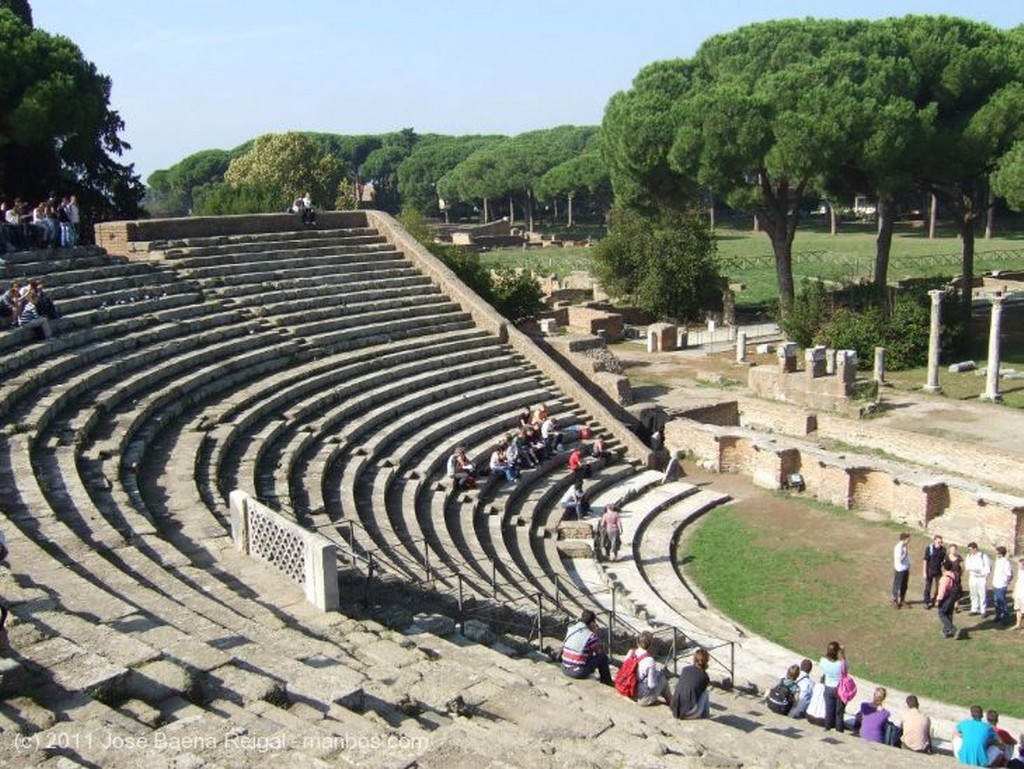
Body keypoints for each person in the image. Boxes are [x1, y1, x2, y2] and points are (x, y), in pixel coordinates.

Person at [560, 610, 611, 685]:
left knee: (586, 650)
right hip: (577, 672)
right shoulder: (591, 635)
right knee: (603, 657)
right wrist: (594, 632)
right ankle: (606, 681)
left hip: (564, 667)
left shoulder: (571, 628)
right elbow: (598, 652)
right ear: (592, 622)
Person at [671, 647, 711, 720]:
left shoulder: (685, 669)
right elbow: (699, 694)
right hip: (687, 714)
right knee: (705, 693)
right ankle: (706, 717)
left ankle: (704, 716)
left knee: (679, 684)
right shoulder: (705, 677)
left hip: (675, 710)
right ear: (706, 661)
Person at [634, 631, 671, 706]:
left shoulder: (631, 653)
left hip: (629, 690)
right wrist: (658, 676)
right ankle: (671, 703)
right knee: (663, 680)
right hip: (642, 698)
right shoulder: (650, 660)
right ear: (650, 645)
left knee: (658, 675)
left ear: (637, 641)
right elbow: (651, 685)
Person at [819, 641, 846, 732]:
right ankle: (839, 730)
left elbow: (823, 664)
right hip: (839, 689)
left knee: (828, 710)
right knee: (839, 712)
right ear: (837, 651)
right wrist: (842, 653)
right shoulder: (840, 664)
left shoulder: (823, 661)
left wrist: (830, 651)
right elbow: (846, 666)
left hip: (828, 688)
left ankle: (827, 727)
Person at [937, 562, 964, 639]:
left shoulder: (945, 578)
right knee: (949, 613)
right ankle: (946, 631)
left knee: (941, 613)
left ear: (944, 568)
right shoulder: (955, 574)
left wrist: (938, 600)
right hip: (954, 596)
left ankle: (954, 630)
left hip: (947, 597)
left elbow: (942, 590)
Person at [965, 542, 991, 616]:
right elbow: (967, 567)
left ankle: (983, 610)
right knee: (973, 593)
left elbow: (987, 568)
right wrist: (973, 570)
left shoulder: (983, 556)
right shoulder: (969, 556)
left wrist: (981, 573)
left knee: (982, 594)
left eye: (971, 549)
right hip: (973, 577)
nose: (970, 551)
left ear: (975, 548)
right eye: (969, 550)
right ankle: (974, 609)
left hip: (981, 578)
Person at [923, 535, 946, 608]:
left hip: (938, 571)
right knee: (928, 587)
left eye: (941, 542)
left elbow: (944, 561)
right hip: (929, 570)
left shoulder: (943, 550)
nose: (939, 543)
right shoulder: (929, 548)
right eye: (938, 541)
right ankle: (927, 602)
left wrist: (945, 570)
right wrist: (924, 572)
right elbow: (925, 560)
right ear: (934, 541)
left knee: (939, 586)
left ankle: (936, 600)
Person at [991, 547, 1014, 624]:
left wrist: (1006, 582)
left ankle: (1005, 617)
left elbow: (1009, 574)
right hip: (996, 584)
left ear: (1001, 554)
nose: (996, 554)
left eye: (997, 553)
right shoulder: (998, 560)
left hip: (1002, 585)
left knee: (1002, 602)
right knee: (996, 601)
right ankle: (997, 616)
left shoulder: (1006, 562)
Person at [892, 532, 911, 609]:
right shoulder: (898, 547)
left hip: (905, 568)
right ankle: (895, 600)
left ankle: (902, 599)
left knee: (904, 585)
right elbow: (899, 559)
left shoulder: (904, 546)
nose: (909, 540)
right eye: (908, 539)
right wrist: (905, 555)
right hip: (899, 569)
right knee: (897, 585)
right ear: (905, 539)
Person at [1014, 557, 1024, 631]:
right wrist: (1014, 592)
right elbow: (1017, 582)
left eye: (1019, 565)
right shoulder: (1020, 572)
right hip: (1018, 593)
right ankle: (1018, 624)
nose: (1018, 566)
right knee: (1018, 609)